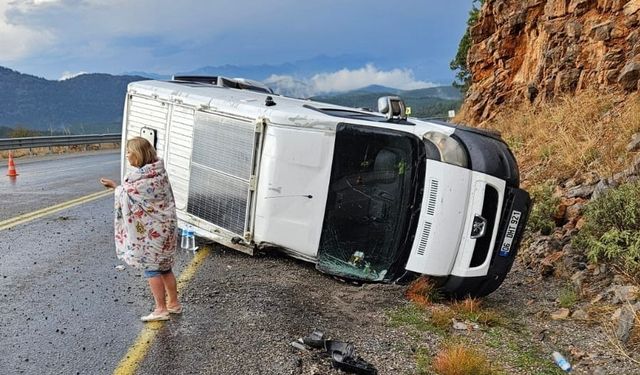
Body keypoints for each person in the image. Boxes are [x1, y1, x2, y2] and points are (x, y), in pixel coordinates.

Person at [100, 137, 182, 322]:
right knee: (165, 267)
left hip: (153, 231)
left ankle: (161, 309)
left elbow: (128, 195)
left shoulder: (141, 178)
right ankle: (174, 303)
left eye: (129, 152)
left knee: (151, 268)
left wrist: (115, 187)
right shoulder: (159, 172)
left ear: (137, 154)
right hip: (167, 226)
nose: (127, 155)